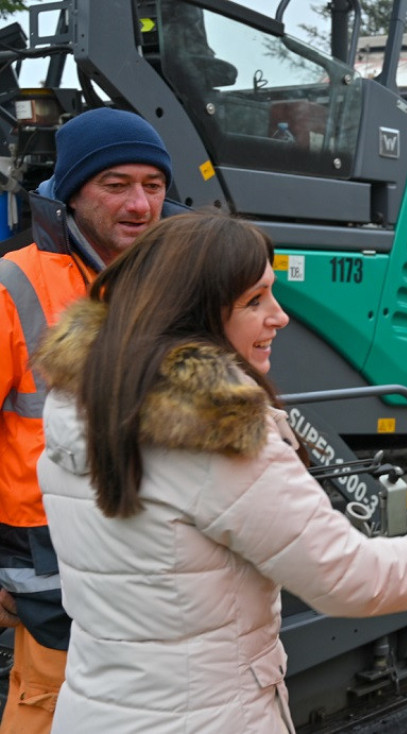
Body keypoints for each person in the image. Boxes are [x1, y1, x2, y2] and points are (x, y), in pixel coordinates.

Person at [31, 213, 407, 733]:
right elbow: (348, 576)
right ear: (193, 313)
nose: (280, 317)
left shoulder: (78, 408)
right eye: (255, 301)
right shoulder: (217, 437)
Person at [0, 106, 174, 733]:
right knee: (50, 710)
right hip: (52, 570)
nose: (139, 204)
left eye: (153, 186)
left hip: (155, 562)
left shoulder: (172, 280)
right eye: (116, 184)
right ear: (73, 192)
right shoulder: (16, 284)